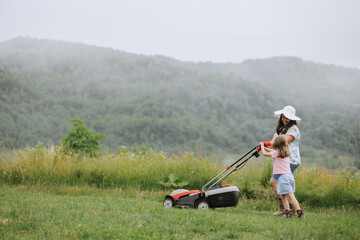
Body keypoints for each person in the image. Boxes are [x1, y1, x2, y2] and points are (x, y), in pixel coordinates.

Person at [267, 106, 302, 216]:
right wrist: (263, 145)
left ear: (292, 119)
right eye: (283, 117)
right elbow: (272, 142)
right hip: (283, 160)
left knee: (279, 184)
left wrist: (266, 146)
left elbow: (280, 143)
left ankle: (287, 210)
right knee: (278, 184)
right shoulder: (281, 129)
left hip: (290, 161)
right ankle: (287, 209)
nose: (284, 120)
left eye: (287, 118)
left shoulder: (294, 130)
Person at [260, 137, 304, 218]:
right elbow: (273, 152)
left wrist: (262, 146)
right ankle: (287, 213)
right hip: (289, 176)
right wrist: (266, 148)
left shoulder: (277, 153)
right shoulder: (285, 153)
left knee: (290, 196)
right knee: (284, 196)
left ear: (277, 145)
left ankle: (299, 213)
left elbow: (265, 154)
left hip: (283, 178)